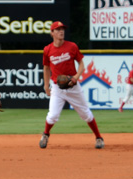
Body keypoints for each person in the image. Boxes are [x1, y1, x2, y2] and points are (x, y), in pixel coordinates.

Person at [40, 21, 104, 149]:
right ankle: (45, 134)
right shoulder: (48, 50)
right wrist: (46, 86)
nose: (61, 31)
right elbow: (46, 68)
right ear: (52, 33)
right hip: (57, 88)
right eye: (58, 29)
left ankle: (98, 137)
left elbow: (81, 64)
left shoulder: (72, 46)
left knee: (86, 114)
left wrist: (76, 77)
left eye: (62, 29)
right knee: (52, 115)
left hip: (73, 86)